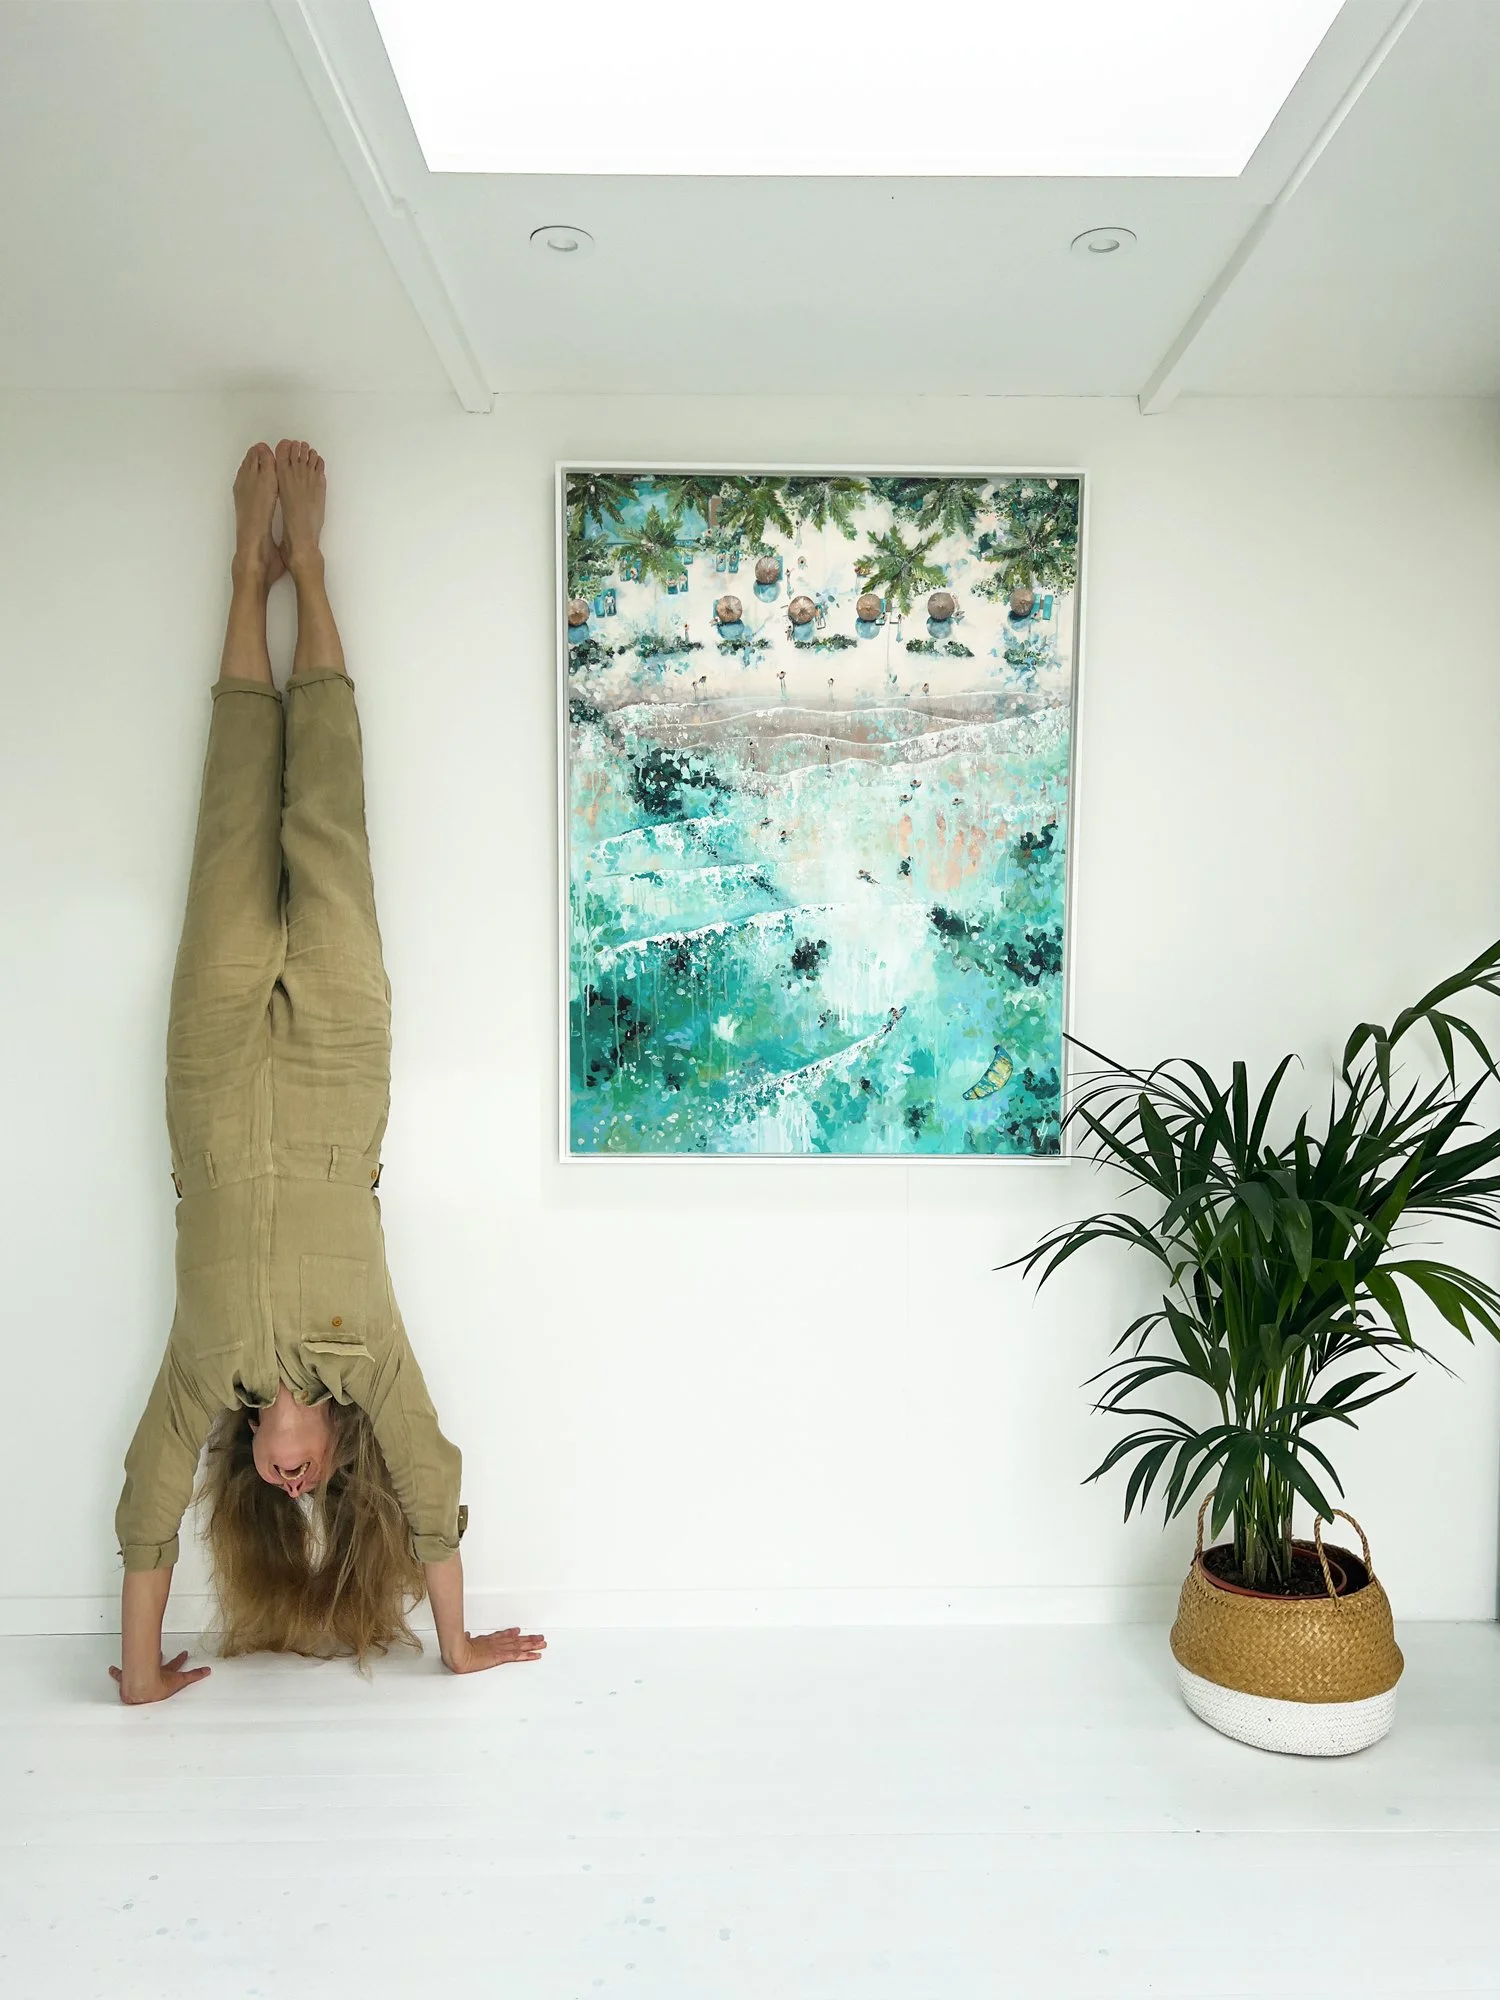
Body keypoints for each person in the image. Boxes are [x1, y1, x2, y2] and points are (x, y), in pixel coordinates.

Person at [109, 441, 545, 1703]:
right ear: (335, 1450)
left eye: (273, 1488)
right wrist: (458, 1643)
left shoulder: (202, 1371)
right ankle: (316, 563)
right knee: (332, 822)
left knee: (238, 817)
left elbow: (143, 1505)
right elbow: (436, 1482)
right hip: (343, 1051)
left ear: (256, 1460)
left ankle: (249, 575)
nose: (287, 1483)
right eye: (312, 1487)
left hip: (209, 1057)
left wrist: (140, 1677)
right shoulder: (375, 1371)